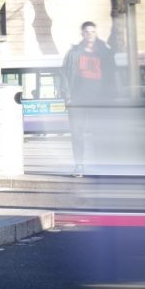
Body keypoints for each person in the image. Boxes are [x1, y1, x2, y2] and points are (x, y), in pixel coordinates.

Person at [60, 21, 117, 176]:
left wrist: (111, 98)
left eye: (93, 31)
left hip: (99, 100)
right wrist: (67, 97)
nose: (90, 34)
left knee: (100, 133)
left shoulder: (105, 52)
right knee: (77, 135)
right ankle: (79, 166)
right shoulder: (74, 53)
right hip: (77, 101)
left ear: (96, 33)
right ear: (82, 34)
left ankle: (102, 167)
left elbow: (112, 76)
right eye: (87, 32)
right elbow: (64, 74)